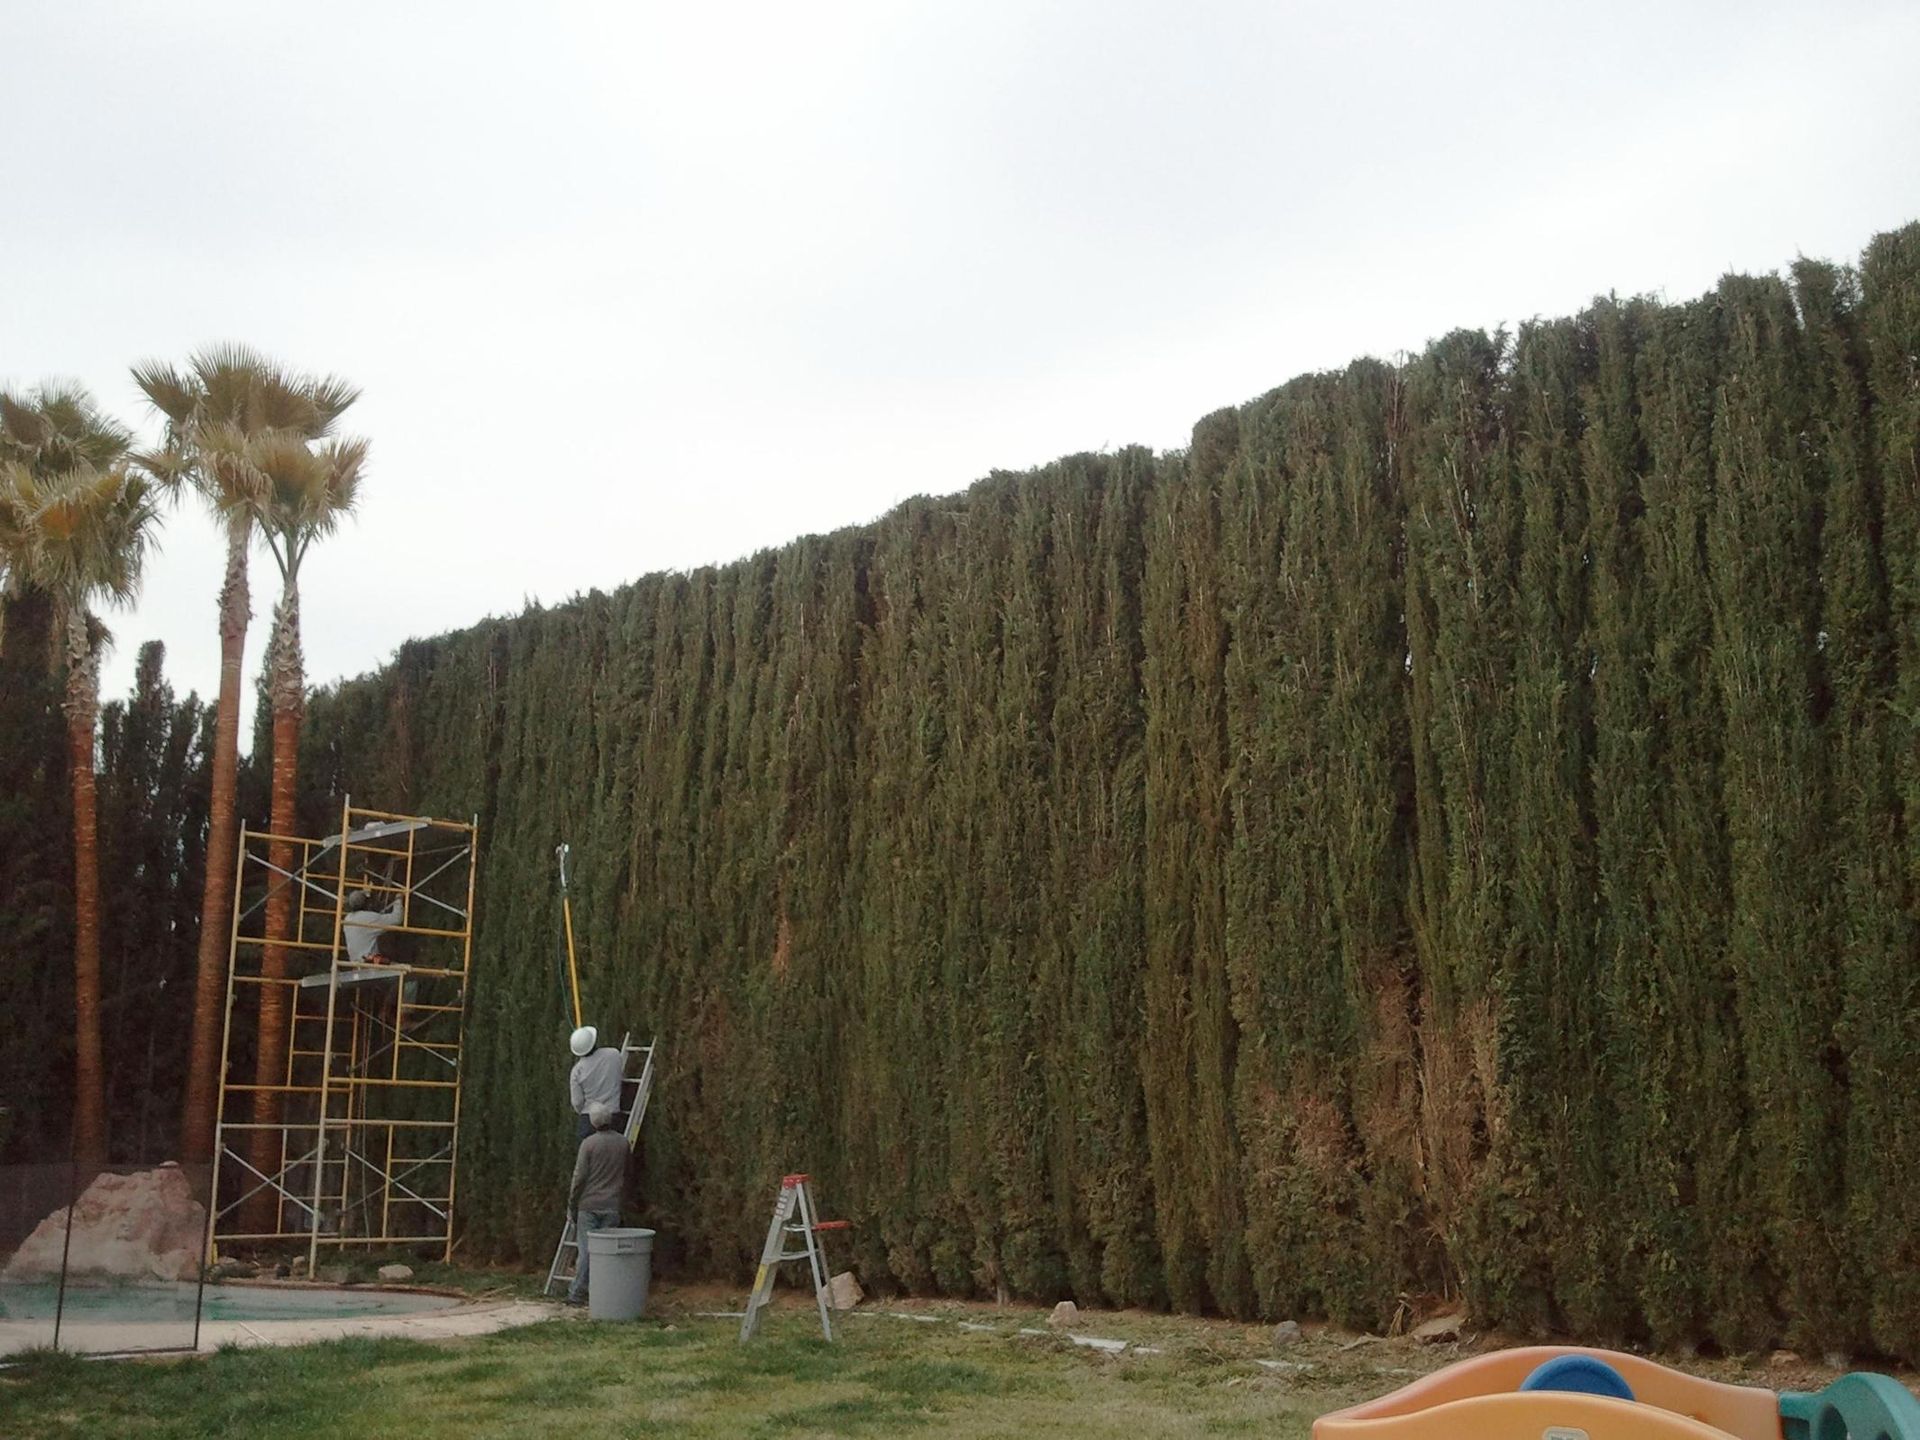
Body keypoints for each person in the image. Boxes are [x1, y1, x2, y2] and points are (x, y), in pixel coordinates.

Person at [566, 1102, 627, 1306]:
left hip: (589, 1205)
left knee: (586, 1252)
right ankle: (605, 1293)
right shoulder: (623, 1143)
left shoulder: (588, 1144)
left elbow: (579, 1176)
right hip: (612, 1204)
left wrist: (572, 1203)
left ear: (592, 1122)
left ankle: (577, 1294)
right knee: (608, 1255)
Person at [568, 1025, 626, 1139]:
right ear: (594, 1040)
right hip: (613, 1115)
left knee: (587, 1153)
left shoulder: (577, 1071)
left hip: (589, 1120)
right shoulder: (613, 1054)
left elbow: (577, 1102)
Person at [342, 889, 403, 966]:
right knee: (400, 968)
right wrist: (398, 899)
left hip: (355, 962)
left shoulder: (347, 918)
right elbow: (397, 918)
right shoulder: (370, 918)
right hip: (369, 962)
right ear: (366, 903)